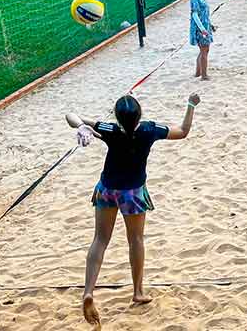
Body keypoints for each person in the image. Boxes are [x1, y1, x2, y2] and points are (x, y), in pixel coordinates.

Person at [66, 93, 200, 329]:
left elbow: (71, 115)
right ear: (140, 114)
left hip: (107, 189)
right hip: (133, 192)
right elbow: (183, 131)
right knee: (135, 239)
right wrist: (191, 105)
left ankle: (88, 291)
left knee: (100, 240)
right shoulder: (148, 130)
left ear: (117, 117)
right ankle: (137, 291)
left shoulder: (110, 130)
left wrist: (82, 127)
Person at [190, 0, 215, 80]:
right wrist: (202, 29)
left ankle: (198, 73)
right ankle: (204, 75)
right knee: (204, 50)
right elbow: (195, 15)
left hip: (205, 25)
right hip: (200, 28)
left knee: (204, 50)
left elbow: (205, 14)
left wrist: (210, 25)